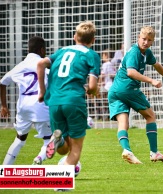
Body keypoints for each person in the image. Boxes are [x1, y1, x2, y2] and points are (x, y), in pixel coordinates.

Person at [108, 26, 163, 164]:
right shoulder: (135, 52)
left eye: (149, 40)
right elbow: (131, 72)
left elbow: (157, 65)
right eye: (143, 39)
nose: (145, 42)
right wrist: (151, 80)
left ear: (152, 42)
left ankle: (127, 150)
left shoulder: (146, 52)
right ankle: (154, 153)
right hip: (127, 89)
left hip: (115, 91)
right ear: (138, 38)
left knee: (123, 123)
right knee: (150, 116)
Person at [37, 21, 100, 170]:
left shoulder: (61, 51)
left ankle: (56, 139)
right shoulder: (92, 55)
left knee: (63, 149)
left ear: (74, 37)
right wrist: (93, 91)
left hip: (54, 101)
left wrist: (42, 91)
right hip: (73, 100)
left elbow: (40, 64)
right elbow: (92, 86)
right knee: (76, 149)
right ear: (93, 40)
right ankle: (61, 183)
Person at [0, 36, 52, 165]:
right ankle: (39, 158)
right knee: (50, 140)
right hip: (41, 107)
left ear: (28, 49)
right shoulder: (45, 65)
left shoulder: (20, 66)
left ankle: (4, 169)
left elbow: (2, 82)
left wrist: (4, 106)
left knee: (19, 139)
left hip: (23, 108)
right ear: (42, 50)